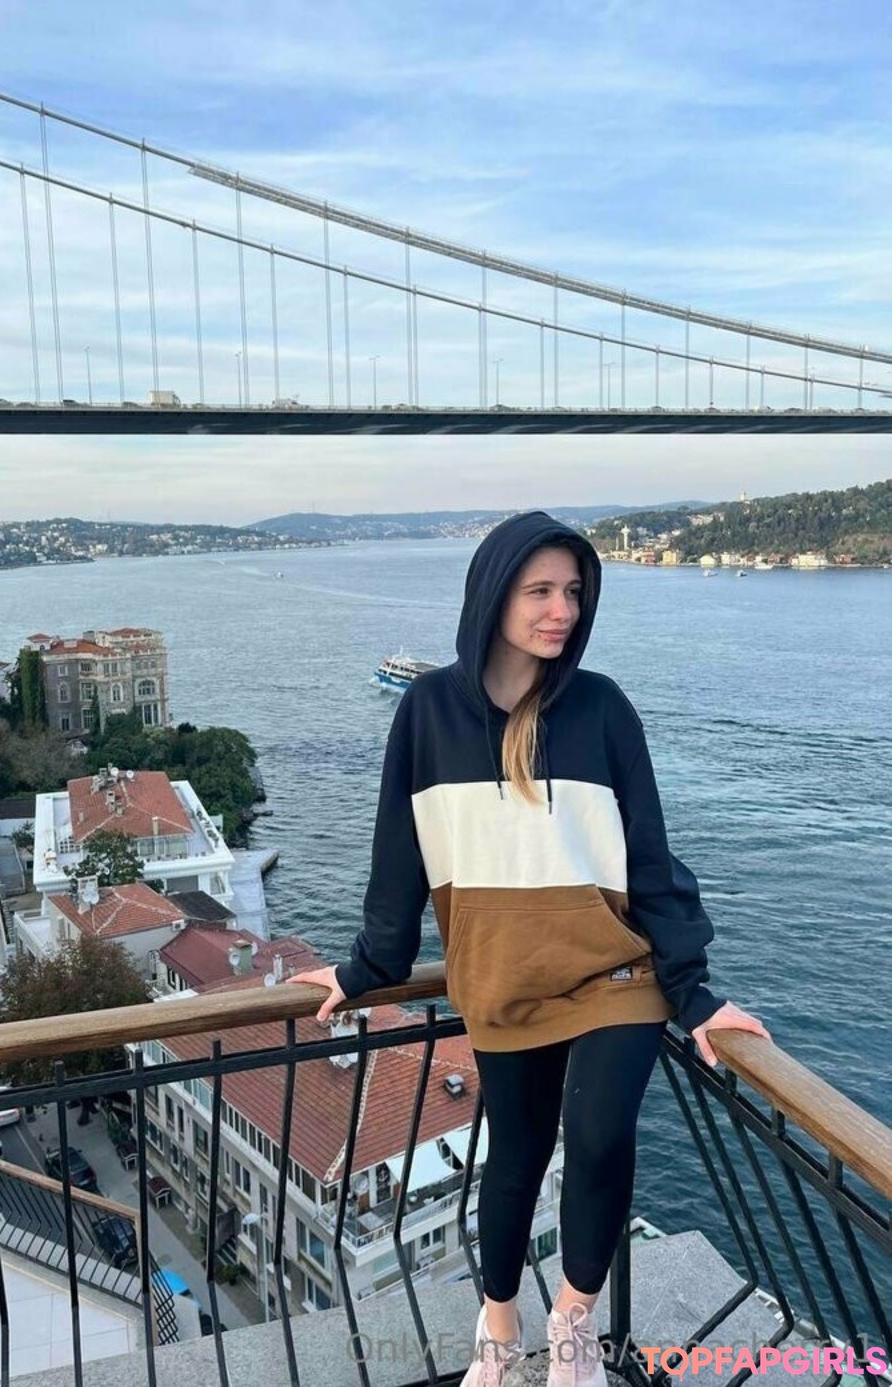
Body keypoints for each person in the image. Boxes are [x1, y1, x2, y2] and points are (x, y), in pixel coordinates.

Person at [290, 512, 769, 1387]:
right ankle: (499, 1326)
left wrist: (695, 994)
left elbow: (651, 857)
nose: (563, 610)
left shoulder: (603, 709)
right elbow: (398, 857)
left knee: (597, 1136)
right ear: (493, 595)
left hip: (616, 972)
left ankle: (573, 1324)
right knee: (514, 1157)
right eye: (540, 590)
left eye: (574, 591)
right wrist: (367, 967)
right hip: (502, 981)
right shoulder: (427, 713)